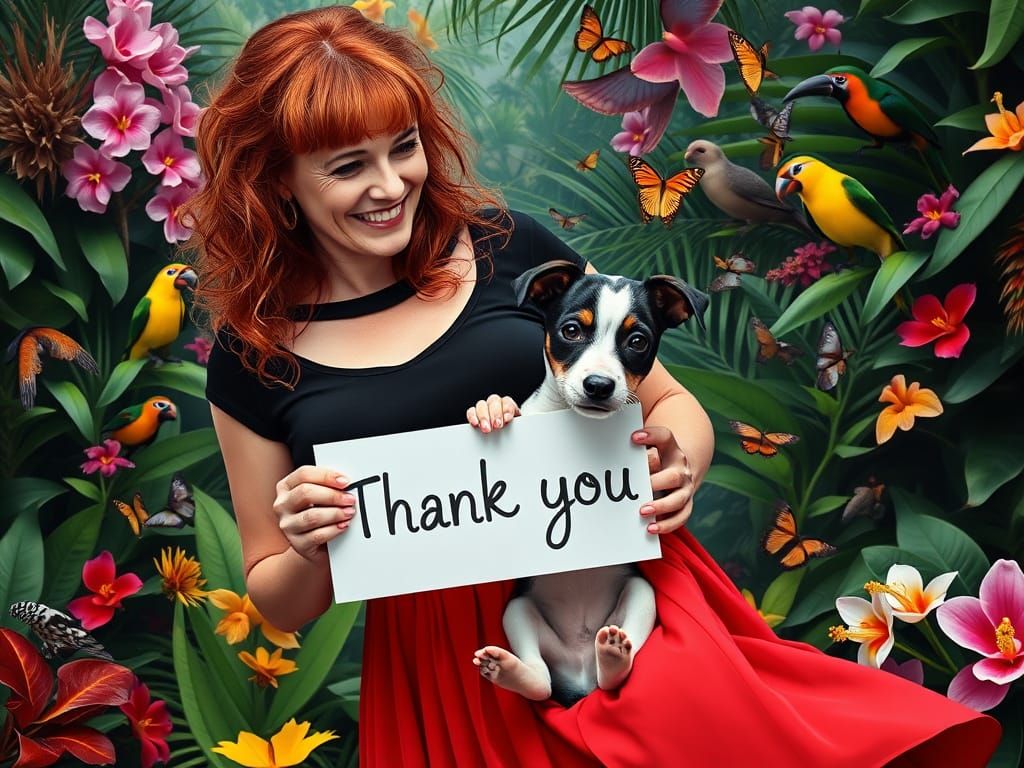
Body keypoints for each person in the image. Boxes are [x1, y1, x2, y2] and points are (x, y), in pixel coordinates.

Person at [191, 6, 1001, 767]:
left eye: (403, 146)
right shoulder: (253, 353)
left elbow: (671, 404)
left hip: (630, 605)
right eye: (347, 166)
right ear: (277, 180)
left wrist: (679, 461)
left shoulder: (508, 247)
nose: (393, 183)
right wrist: (309, 541)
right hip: (453, 665)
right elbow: (280, 601)